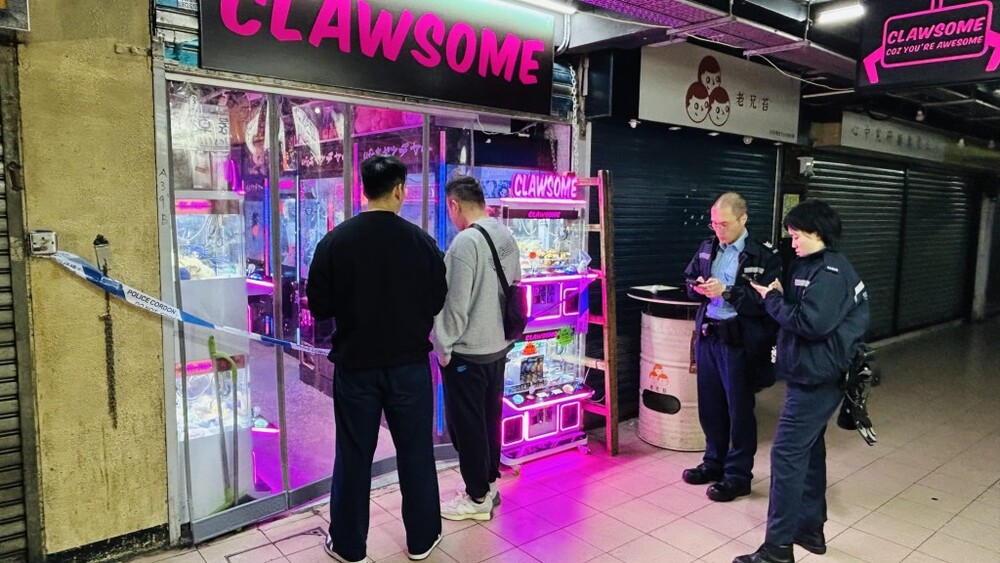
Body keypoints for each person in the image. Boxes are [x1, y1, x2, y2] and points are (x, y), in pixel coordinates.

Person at [306, 155, 447, 563]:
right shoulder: (422, 243)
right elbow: (437, 299)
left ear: (363, 190)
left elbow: (319, 306)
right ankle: (422, 539)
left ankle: (348, 546)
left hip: (356, 368)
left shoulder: (335, 242)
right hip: (410, 368)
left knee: (353, 455)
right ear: (400, 190)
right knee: (415, 452)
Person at [735, 199, 870, 563]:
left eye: (797, 235)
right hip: (808, 372)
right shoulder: (811, 265)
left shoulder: (831, 273)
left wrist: (772, 299)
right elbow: (802, 309)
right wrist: (780, 295)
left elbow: (811, 323)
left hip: (817, 378)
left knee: (786, 454)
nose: (792, 242)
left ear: (818, 233)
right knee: (808, 450)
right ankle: (809, 529)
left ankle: (777, 549)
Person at [682, 192, 781, 502]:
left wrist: (727, 291)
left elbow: (768, 303)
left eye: (724, 224)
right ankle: (713, 462)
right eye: (714, 224)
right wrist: (697, 287)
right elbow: (687, 280)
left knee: (739, 410)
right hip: (709, 336)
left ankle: (738, 475)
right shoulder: (708, 247)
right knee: (710, 405)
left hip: (740, 341)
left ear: (743, 219)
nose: (718, 230)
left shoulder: (763, 256)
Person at [432, 175, 520, 521]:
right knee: (488, 421)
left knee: (466, 427)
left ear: (454, 204)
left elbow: (454, 307)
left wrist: (442, 348)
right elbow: (515, 283)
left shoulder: (465, 243)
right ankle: (489, 483)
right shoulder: (504, 233)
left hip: (468, 352)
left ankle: (477, 498)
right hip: (498, 348)